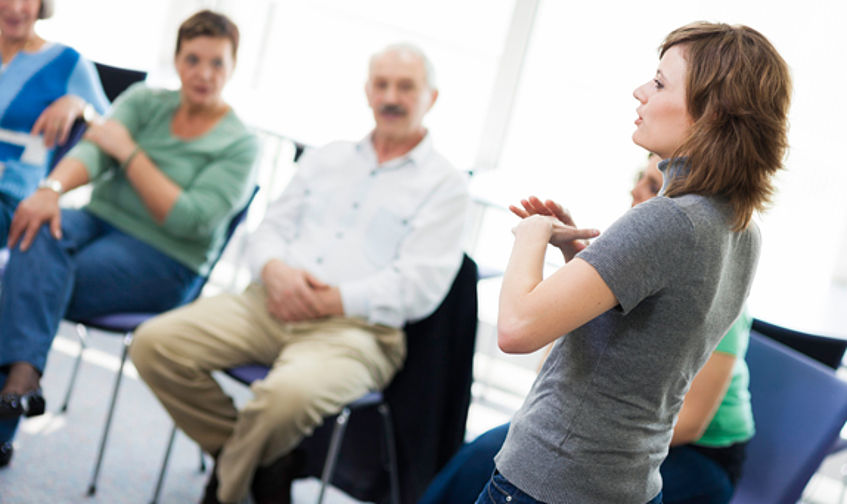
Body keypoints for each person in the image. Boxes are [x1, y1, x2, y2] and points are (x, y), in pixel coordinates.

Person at [130, 43, 469, 504]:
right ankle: (269, 463)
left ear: (431, 97)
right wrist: (275, 271)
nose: (391, 96)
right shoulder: (327, 157)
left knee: (282, 400)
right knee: (154, 345)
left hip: (357, 333)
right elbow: (268, 229)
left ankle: (227, 489)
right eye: (382, 84)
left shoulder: (445, 185)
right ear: (367, 92)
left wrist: (332, 300)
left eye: (405, 87)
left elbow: (419, 285)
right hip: (267, 303)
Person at [479, 22, 790, 504]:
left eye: (661, 83)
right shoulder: (741, 229)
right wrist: (584, 264)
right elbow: (652, 339)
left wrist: (532, 235)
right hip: (630, 488)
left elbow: (516, 329)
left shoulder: (665, 220)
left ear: (711, 114)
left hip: (552, 484)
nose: (640, 92)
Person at [0, 9, 257, 469]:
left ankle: (12, 402)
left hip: (164, 258)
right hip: (97, 221)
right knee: (34, 228)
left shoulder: (240, 144)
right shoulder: (145, 101)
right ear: (176, 59)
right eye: (193, 59)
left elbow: (187, 218)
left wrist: (129, 151)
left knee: (27, 280)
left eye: (217, 62)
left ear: (234, 67)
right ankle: (19, 387)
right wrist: (49, 190)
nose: (203, 73)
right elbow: (93, 152)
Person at [420, 154, 755, 504]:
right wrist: (578, 264)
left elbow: (690, 424)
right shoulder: (647, 250)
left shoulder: (701, 274)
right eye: (639, 178)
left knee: (505, 463)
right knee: (482, 455)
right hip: (613, 432)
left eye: (654, 186)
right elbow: (555, 367)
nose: (636, 191)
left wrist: (530, 239)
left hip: (694, 453)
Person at [0, 0, 108, 245]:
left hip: (11, 196)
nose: (16, 8)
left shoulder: (68, 63)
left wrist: (80, 105)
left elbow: (112, 128)